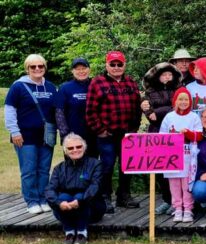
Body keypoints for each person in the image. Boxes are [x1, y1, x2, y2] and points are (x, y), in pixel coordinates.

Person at [85, 51, 142, 212]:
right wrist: (100, 130)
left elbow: (137, 108)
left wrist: (134, 128)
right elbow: (90, 111)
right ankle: (105, 197)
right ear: (106, 65)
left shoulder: (131, 82)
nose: (116, 67)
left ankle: (123, 196)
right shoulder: (97, 83)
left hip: (127, 134)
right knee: (107, 166)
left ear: (124, 65)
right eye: (113, 64)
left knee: (127, 166)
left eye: (119, 64)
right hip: (107, 135)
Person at [4, 54, 58, 214]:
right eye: (33, 67)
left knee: (43, 169)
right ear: (27, 69)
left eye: (40, 66)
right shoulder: (18, 86)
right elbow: (9, 110)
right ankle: (32, 201)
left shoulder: (50, 87)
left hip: (46, 136)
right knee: (28, 170)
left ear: (45, 68)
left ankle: (43, 199)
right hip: (25, 136)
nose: (37, 69)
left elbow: (57, 110)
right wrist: (14, 132)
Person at [45, 133, 106, 244]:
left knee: (79, 195)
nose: (75, 150)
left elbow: (95, 186)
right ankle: (69, 233)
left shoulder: (96, 164)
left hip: (91, 208)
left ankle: (82, 233)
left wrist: (80, 201)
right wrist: (59, 203)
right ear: (65, 151)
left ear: (84, 147)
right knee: (63, 197)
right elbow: (49, 189)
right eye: (70, 148)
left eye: (78, 147)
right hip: (66, 209)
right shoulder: (59, 168)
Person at [140, 62, 182, 215]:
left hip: (174, 132)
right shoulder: (149, 92)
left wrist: (159, 111)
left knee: (174, 168)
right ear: (158, 76)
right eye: (164, 74)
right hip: (156, 133)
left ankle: (176, 201)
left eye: (169, 74)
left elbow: (178, 108)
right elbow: (150, 116)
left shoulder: (178, 90)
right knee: (159, 169)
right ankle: (166, 199)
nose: (167, 77)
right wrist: (154, 113)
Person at [160, 87, 203, 222]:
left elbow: (199, 135)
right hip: (172, 158)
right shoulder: (169, 116)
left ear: (190, 101)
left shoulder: (194, 117)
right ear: (175, 101)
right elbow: (162, 136)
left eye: (186, 99)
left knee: (187, 185)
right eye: (180, 99)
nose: (183, 102)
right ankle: (177, 208)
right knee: (174, 185)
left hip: (188, 157)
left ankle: (188, 209)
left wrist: (188, 133)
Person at [55, 58, 98, 158]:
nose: (81, 71)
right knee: (73, 168)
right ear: (72, 71)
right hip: (73, 136)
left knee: (92, 166)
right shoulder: (65, 88)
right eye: (77, 69)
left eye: (84, 68)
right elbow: (59, 113)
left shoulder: (96, 85)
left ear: (89, 69)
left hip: (94, 136)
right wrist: (65, 136)